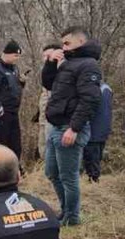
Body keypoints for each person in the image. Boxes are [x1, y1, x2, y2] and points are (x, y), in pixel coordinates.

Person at [41, 27, 102, 226]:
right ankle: (66, 210)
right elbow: (49, 85)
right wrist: (51, 63)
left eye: (67, 43)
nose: (63, 47)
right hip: (55, 125)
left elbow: (90, 99)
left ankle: (72, 218)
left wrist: (74, 128)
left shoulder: (89, 65)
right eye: (62, 44)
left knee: (68, 176)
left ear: (80, 43)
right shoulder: (67, 63)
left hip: (69, 128)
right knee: (51, 171)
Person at [0, 41, 25, 162]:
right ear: (6, 53)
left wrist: (22, 82)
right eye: (15, 56)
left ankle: (15, 169)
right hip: (1, 113)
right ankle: (1, 171)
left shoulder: (14, 68)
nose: (17, 59)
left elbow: (14, 88)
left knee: (16, 144)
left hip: (13, 112)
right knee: (2, 144)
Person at [82, 81, 114, 183]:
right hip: (103, 129)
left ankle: (93, 180)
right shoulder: (107, 88)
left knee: (92, 158)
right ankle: (93, 179)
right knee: (96, 157)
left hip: (93, 130)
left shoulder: (94, 90)